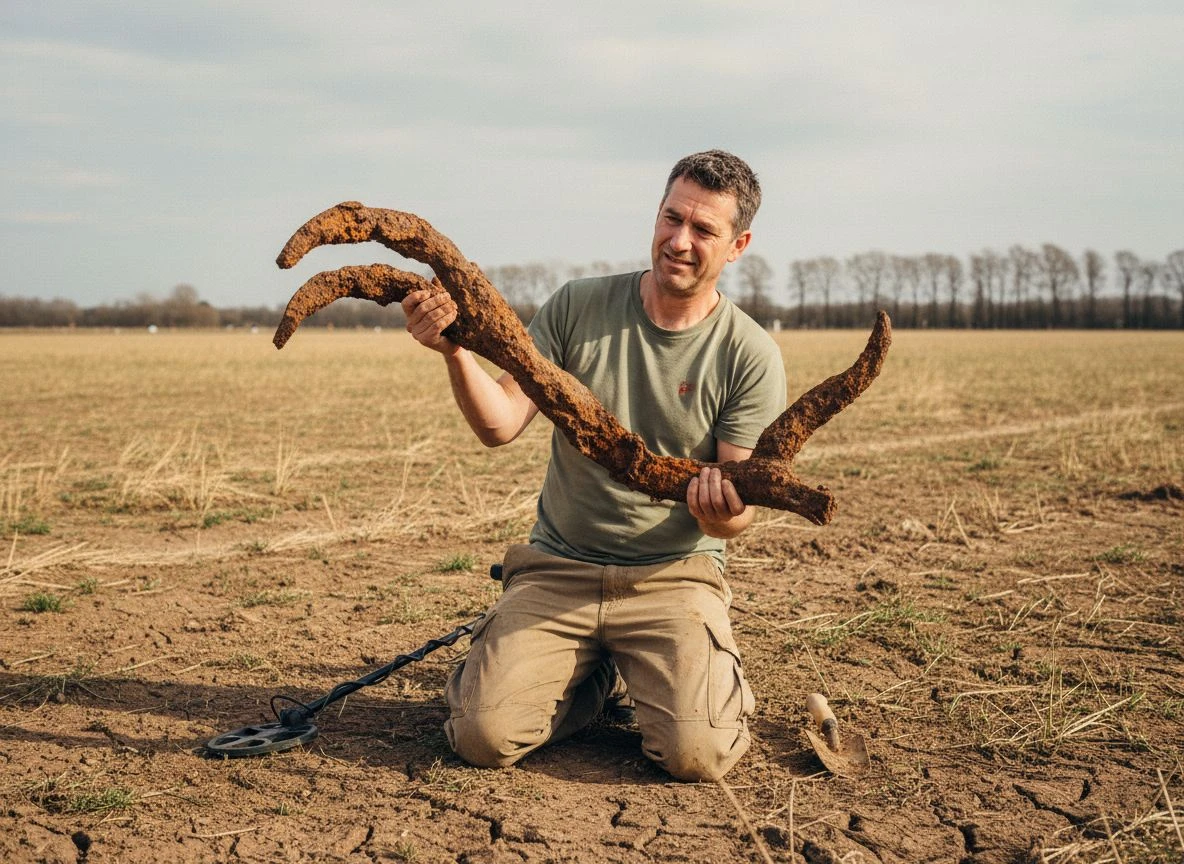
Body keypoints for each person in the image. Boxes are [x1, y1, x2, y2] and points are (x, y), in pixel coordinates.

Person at [401, 150, 787, 781]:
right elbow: (499, 424)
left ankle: (674, 678)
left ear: (738, 244)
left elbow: (733, 522)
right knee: (481, 736)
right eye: (671, 218)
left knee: (699, 755)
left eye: (703, 230)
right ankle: (590, 678)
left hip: (672, 579)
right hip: (559, 571)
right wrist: (453, 352)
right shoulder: (578, 307)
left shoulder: (749, 354)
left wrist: (722, 512)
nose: (679, 241)